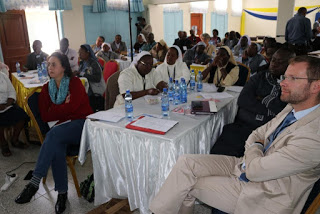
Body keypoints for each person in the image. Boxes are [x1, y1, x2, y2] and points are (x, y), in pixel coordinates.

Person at [150, 55, 320, 214]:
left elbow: (256, 169)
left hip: (265, 195)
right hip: (245, 165)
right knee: (186, 163)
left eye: (293, 78)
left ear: (316, 86)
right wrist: (256, 147)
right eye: (285, 77)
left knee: (186, 184)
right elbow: (256, 133)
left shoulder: (314, 136)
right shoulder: (293, 107)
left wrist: (256, 147)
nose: (282, 83)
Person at [15, 52, 93, 214]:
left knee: (54, 135)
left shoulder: (75, 83)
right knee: (56, 143)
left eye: (53, 64)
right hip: (60, 130)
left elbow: (74, 110)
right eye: (48, 64)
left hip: (82, 126)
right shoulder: (46, 89)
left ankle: (34, 183)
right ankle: (62, 194)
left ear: (63, 67)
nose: (49, 67)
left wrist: (57, 110)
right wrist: (63, 108)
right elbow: (45, 115)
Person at [210, 48, 296, 158]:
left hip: (267, 131)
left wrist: (262, 99)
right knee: (219, 155)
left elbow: (282, 110)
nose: (274, 64)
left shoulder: (292, 85)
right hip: (243, 125)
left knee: (248, 161)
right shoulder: (260, 77)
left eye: (280, 62)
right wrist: (268, 109)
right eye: (273, 60)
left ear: (290, 65)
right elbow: (243, 99)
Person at [0, 72, 29, 156]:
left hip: (7, 105)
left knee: (22, 115)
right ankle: (3, 143)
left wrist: (9, 101)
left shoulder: (3, 75)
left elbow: (11, 90)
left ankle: (14, 139)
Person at [77, 44, 106, 112]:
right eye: (79, 53)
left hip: (95, 91)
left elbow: (97, 78)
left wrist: (82, 74)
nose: (79, 54)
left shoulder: (94, 63)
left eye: (81, 52)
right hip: (87, 88)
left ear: (87, 53)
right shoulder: (82, 63)